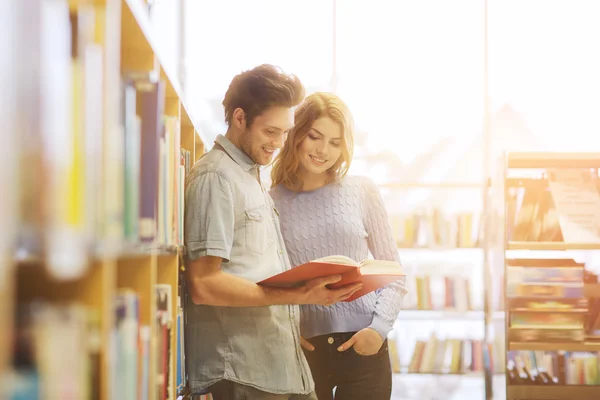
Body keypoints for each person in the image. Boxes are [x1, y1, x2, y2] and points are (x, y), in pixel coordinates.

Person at [184, 65, 363, 400]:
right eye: (270, 131)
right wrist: (299, 295)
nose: (279, 143)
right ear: (240, 118)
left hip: (277, 368)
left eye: (285, 132)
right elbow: (204, 284)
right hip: (243, 374)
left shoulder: (251, 176)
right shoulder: (216, 177)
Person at [270, 92, 407, 400]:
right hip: (302, 351)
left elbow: (395, 274)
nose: (323, 150)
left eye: (335, 142)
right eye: (315, 137)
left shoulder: (362, 190)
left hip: (365, 348)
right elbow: (268, 281)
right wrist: (285, 331)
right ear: (295, 135)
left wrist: (378, 330)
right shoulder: (271, 202)